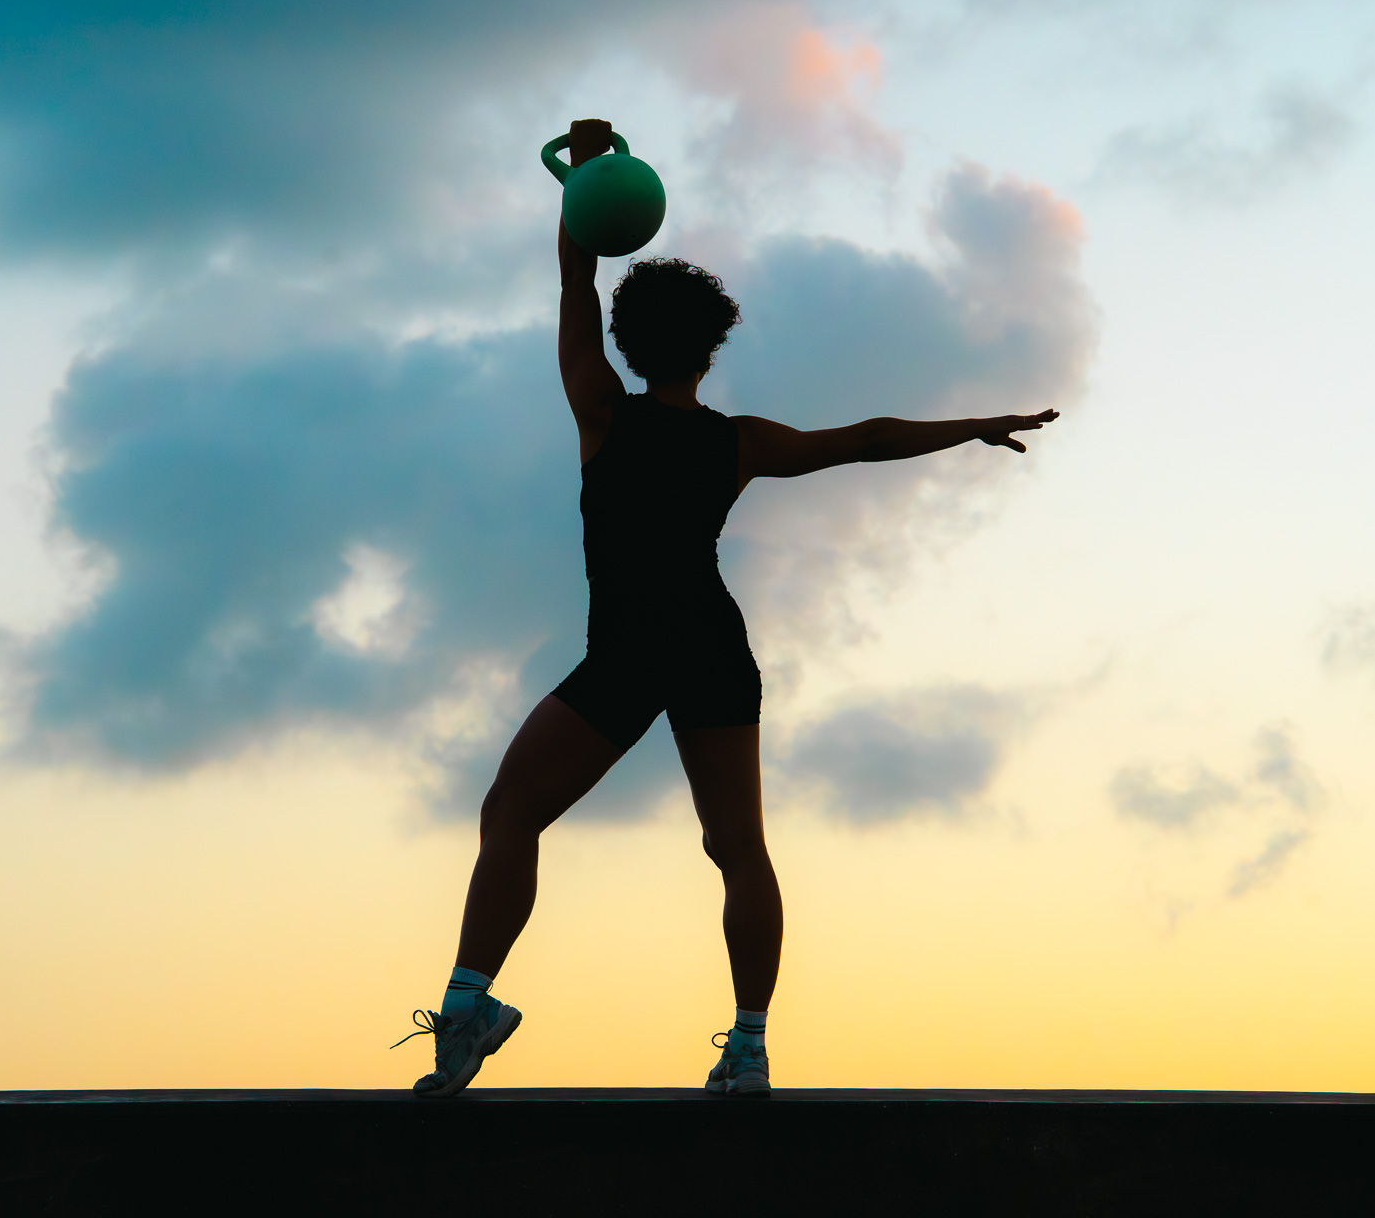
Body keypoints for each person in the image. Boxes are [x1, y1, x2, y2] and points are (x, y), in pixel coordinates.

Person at [397, 118, 1058, 1098]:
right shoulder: (738, 442)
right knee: (738, 848)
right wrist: (972, 426)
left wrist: (585, 183)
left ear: (626, 343)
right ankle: (748, 1046)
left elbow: (577, 282)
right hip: (710, 640)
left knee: (511, 811)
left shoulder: (600, 410)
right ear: (710, 350)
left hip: (628, 648)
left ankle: (468, 1006)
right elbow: (863, 440)